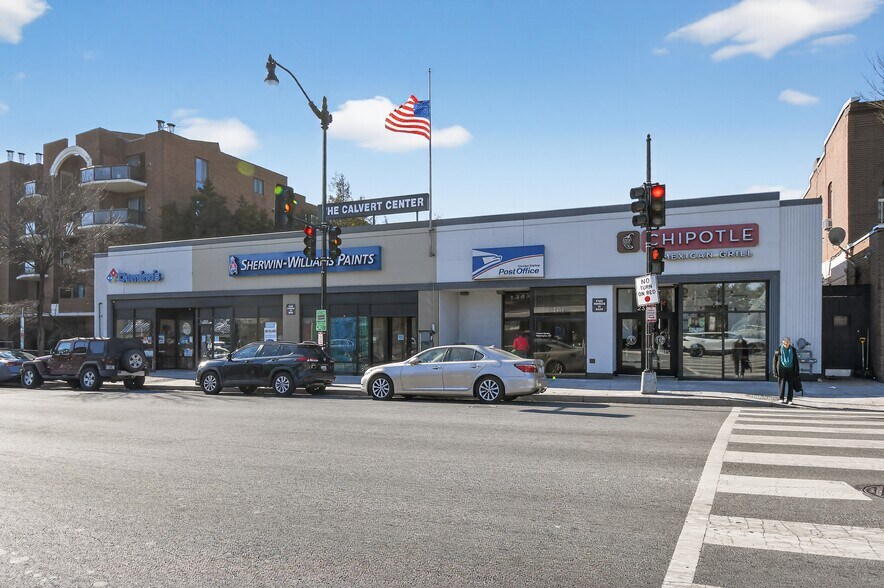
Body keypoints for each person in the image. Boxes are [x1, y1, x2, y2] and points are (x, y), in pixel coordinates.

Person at [773, 336, 798, 404]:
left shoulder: (793, 350)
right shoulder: (778, 350)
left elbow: (796, 361)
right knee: (782, 384)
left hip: (791, 369)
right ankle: (781, 398)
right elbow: (774, 361)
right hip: (781, 369)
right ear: (782, 342)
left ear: (789, 342)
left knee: (791, 385)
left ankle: (789, 399)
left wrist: (797, 371)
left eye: (787, 342)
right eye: (785, 343)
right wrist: (774, 370)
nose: (786, 344)